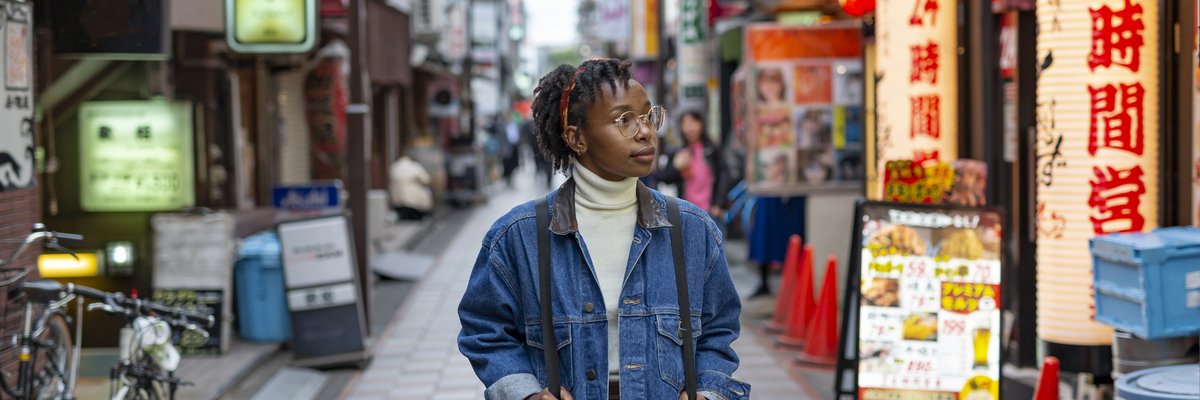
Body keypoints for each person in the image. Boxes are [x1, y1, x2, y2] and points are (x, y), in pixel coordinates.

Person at [458, 59, 750, 400]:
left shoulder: (691, 230)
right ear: (576, 138)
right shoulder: (519, 235)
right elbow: (484, 329)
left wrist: (707, 390)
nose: (645, 131)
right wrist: (525, 392)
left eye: (647, 116)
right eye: (624, 120)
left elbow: (719, 329)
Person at [658, 111, 729, 219]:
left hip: (711, 212)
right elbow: (664, 178)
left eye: (692, 122)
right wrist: (676, 167)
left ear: (700, 124)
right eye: (685, 124)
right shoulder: (678, 152)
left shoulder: (712, 150)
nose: (689, 128)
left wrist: (718, 204)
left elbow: (723, 176)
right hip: (686, 212)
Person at [388, 154, 433, 220]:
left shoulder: (394, 166)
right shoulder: (414, 166)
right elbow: (426, 179)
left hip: (397, 196)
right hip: (413, 197)